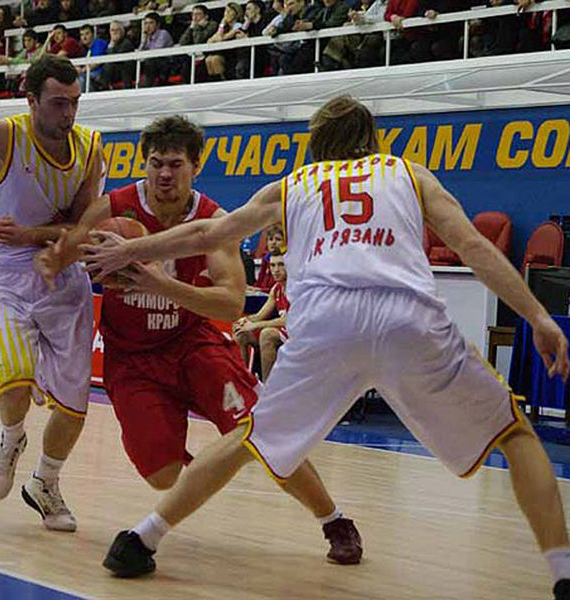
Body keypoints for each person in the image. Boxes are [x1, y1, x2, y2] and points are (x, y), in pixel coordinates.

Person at [81, 95, 570, 600]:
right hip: (407, 317)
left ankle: (141, 538)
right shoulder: (410, 174)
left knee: (249, 438)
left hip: (326, 320)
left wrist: (131, 248)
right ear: (373, 140)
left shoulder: (293, 184)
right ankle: (562, 571)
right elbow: (473, 246)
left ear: (315, 144)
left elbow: (210, 232)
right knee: (516, 434)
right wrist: (537, 316)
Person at [36, 115, 364, 576]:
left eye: (175, 164)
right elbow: (60, 255)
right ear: (144, 164)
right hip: (133, 358)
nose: (164, 174)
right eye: (156, 163)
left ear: (196, 166)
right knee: (162, 475)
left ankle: (334, 521)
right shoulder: (113, 209)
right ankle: (210, 467)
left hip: (196, 345)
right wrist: (49, 258)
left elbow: (231, 304)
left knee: (263, 431)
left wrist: (156, 281)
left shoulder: (214, 220)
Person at [0, 55, 104, 532]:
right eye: (57, 103)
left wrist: (33, 235)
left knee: (74, 404)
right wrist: (41, 237)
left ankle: (45, 482)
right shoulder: (5, 136)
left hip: (62, 275)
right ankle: (11, 438)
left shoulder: (89, 146)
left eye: (74, 102)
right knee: (16, 378)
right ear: (31, 101)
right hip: (4, 276)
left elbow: (82, 226)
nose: (69, 114)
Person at [234, 250, 289, 380]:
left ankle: (268, 387)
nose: (276, 270)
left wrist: (257, 325)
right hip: (284, 332)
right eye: (272, 265)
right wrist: (244, 321)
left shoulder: (297, 287)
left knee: (267, 334)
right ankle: (245, 382)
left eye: (281, 265)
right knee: (241, 333)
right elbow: (259, 315)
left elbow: (290, 320)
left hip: (298, 333)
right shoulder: (276, 289)